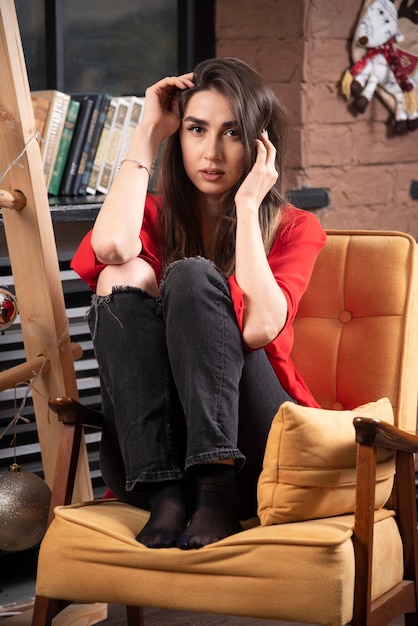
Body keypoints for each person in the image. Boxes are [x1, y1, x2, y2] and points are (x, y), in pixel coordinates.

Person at [71, 57, 327, 551]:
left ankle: (215, 488)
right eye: (195, 129)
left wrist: (249, 208)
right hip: (153, 459)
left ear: (261, 146)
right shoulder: (151, 215)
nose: (210, 152)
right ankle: (166, 493)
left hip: (257, 452)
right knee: (125, 273)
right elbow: (111, 251)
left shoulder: (296, 228)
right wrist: (147, 131)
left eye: (232, 133)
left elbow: (259, 330)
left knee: (190, 275)